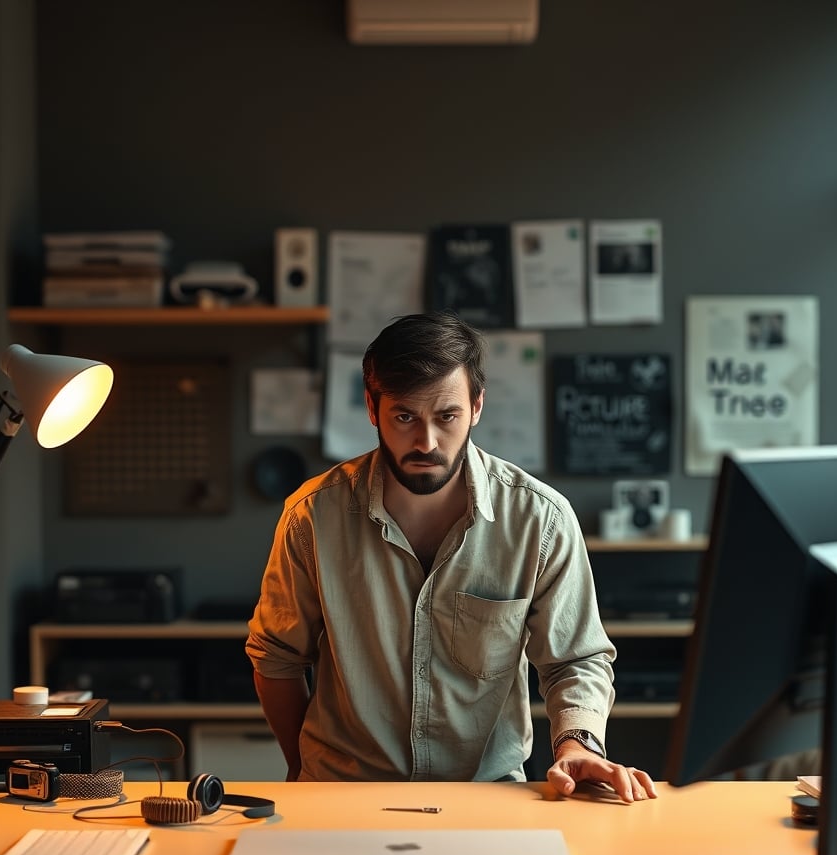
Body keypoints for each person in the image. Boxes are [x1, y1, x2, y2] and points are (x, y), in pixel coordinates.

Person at [245, 310, 657, 803]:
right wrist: (303, 770)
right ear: (372, 409)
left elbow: (577, 659)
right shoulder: (312, 517)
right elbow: (276, 659)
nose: (426, 442)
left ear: (476, 407)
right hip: (341, 794)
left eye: (447, 416)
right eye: (404, 416)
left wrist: (577, 742)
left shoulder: (539, 520)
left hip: (489, 799)